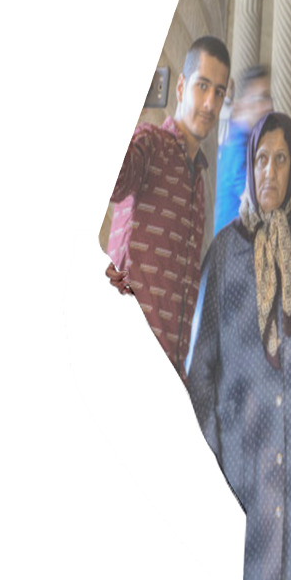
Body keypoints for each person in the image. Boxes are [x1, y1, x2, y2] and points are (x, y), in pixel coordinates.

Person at [186, 112, 291, 580]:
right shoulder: (225, 252)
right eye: (262, 159)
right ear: (250, 167)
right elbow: (201, 371)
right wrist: (213, 467)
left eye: (282, 159)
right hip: (242, 465)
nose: (270, 171)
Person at [105, 36, 230, 377]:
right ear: (180, 87)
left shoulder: (200, 176)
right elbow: (115, 181)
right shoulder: (151, 142)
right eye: (202, 86)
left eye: (218, 92)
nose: (209, 103)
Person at [213, 64, 273, 235]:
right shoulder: (237, 144)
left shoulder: (247, 140)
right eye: (261, 98)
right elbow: (254, 199)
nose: (267, 106)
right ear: (243, 104)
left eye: (268, 97)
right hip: (234, 250)